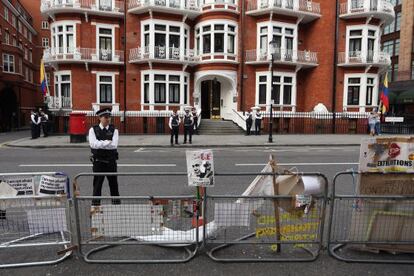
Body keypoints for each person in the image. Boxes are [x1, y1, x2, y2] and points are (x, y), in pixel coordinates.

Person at [89, 108, 120, 206]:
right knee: (97, 186)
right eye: (106, 117)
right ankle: (95, 206)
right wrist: (107, 142)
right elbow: (93, 144)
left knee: (114, 185)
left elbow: (114, 145)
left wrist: (100, 143)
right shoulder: (93, 130)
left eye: (109, 117)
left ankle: (116, 207)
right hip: (98, 162)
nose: (108, 119)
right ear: (100, 118)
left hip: (111, 162)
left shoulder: (114, 130)